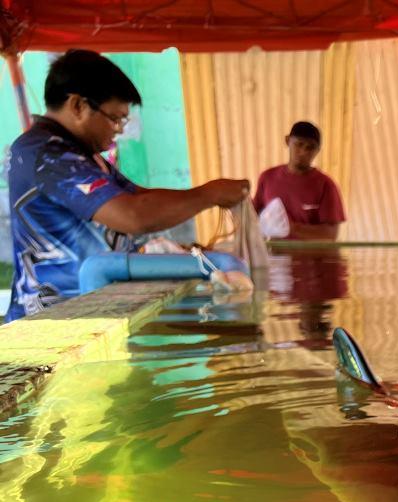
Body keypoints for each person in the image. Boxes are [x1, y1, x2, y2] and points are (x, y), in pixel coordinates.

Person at [5, 49, 249, 322]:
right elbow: (133, 215)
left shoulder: (83, 154)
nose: (119, 129)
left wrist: (210, 195)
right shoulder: (46, 153)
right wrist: (210, 193)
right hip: (51, 323)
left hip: (89, 309)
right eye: (115, 118)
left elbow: (138, 196)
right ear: (78, 106)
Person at [252, 121, 346, 241]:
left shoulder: (326, 185)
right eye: (299, 144)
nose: (303, 152)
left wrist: (292, 228)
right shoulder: (267, 177)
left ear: (317, 150)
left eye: (310, 147)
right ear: (287, 141)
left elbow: (330, 235)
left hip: (310, 258)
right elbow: (253, 219)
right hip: (273, 257)